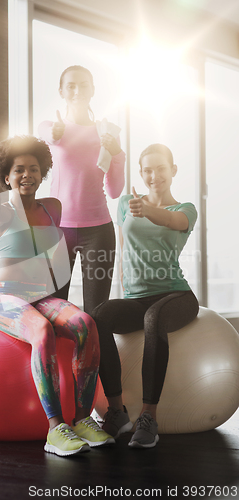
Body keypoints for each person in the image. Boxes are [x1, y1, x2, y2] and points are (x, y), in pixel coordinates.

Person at [0, 135, 114, 457]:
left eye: (34, 168)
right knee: (41, 331)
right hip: (3, 297)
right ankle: (55, 429)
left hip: (39, 296)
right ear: (7, 176)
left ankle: (82, 419)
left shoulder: (53, 207)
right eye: (19, 170)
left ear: (43, 173)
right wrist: (2, 205)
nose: (27, 175)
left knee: (85, 322)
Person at [91, 143, 199, 448]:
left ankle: (148, 417)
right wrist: (122, 293)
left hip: (176, 295)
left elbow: (171, 222)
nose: (154, 176)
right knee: (98, 315)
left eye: (161, 168)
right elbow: (125, 251)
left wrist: (149, 210)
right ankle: (117, 412)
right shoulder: (125, 203)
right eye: (148, 170)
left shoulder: (185, 209)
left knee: (154, 318)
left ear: (173, 170)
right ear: (140, 173)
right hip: (136, 297)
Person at [38, 65, 126, 314]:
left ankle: (95, 355)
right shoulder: (52, 127)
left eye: (83, 85)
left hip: (98, 232)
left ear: (93, 90)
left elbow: (115, 191)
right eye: (71, 85)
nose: (77, 90)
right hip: (57, 230)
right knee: (53, 310)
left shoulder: (106, 133)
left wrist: (117, 154)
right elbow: (45, 133)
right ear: (61, 91)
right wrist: (53, 133)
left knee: (97, 312)